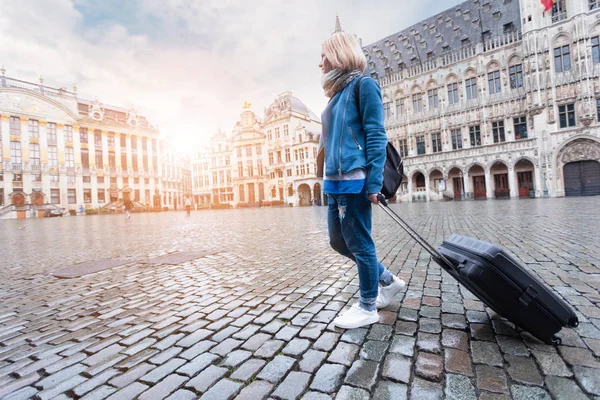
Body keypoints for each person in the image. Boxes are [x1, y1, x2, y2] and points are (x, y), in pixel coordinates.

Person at [317, 28, 405, 329]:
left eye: (323, 56)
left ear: (338, 54)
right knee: (339, 242)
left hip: (355, 178)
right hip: (334, 180)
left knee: (360, 242)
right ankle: (387, 281)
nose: (320, 63)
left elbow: (376, 135)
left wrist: (374, 183)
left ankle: (368, 306)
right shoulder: (336, 94)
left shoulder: (364, 86)